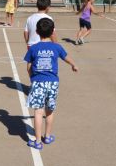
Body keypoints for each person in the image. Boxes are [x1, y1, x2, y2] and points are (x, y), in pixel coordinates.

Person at [24, 18, 78, 150]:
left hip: (38, 82)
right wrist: (74, 64)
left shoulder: (33, 48)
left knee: (38, 112)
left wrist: (32, 79)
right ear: (53, 31)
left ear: (36, 31)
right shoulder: (56, 47)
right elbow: (66, 57)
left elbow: (28, 67)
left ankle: (37, 141)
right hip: (53, 83)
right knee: (50, 110)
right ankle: (47, 136)